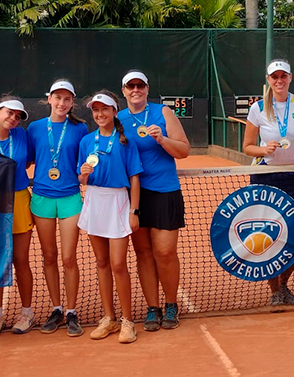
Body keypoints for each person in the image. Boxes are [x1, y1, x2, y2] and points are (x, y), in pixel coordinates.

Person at [117, 70, 189, 332]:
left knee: (165, 252)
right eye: (131, 86)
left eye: (140, 85)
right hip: (134, 195)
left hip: (165, 191)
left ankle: (171, 304)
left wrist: (162, 139)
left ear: (147, 88)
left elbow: (183, 150)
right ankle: (152, 307)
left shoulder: (163, 112)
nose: (136, 90)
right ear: (124, 91)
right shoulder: (118, 119)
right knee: (144, 253)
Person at [243, 59, 294, 306]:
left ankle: (284, 283)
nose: (279, 80)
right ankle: (274, 290)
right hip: (265, 175)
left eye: (283, 76)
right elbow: (247, 147)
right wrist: (263, 149)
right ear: (268, 80)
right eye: (275, 77)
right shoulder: (257, 108)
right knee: (268, 234)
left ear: (290, 78)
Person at [78, 90, 143, 344]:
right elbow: (82, 179)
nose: (100, 114)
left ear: (115, 111)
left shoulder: (126, 141)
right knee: (101, 262)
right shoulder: (86, 141)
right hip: (94, 201)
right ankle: (109, 317)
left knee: (118, 264)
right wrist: (83, 175)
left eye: (104, 109)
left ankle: (128, 321)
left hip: (118, 202)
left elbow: (134, 178)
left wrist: (134, 211)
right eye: (96, 110)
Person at [27, 80, 87, 337]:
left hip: (70, 197)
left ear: (72, 103)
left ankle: (71, 311)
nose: (62, 103)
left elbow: (84, 161)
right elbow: (27, 158)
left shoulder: (80, 128)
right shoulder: (34, 128)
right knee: (49, 256)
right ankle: (56, 308)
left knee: (68, 258)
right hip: (41, 198)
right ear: (49, 99)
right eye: (58, 98)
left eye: (67, 99)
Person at [0, 97, 35, 335]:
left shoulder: (22, 135)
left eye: (17, 116)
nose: (13, 118)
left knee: (21, 260)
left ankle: (27, 313)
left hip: (20, 199)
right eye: (9, 113)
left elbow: (29, 160)